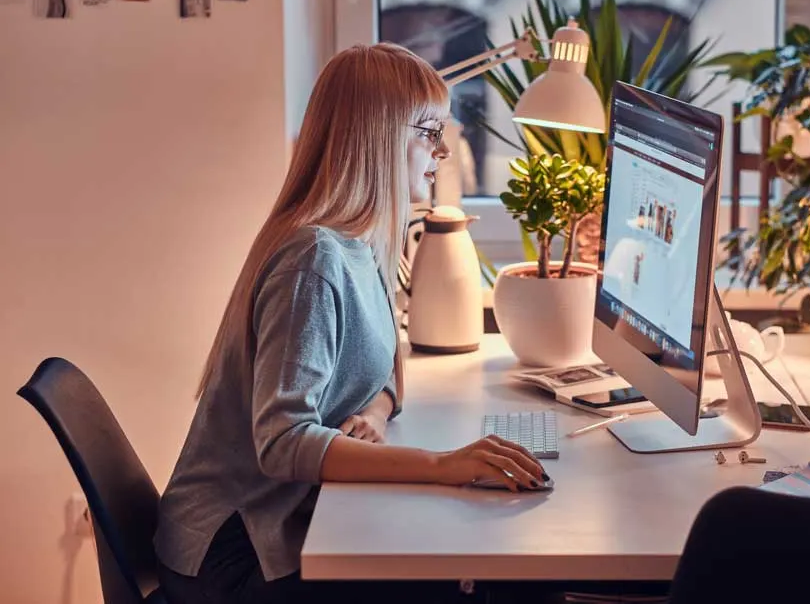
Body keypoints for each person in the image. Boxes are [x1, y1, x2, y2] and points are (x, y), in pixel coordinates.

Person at [154, 43, 546, 604]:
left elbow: (388, 368)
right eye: (428, 132)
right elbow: (284, 442)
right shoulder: (312, 260)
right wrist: (440, 465)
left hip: (279, 526)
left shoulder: (366, 242)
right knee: (485, 582)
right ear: (379, 138)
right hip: (234, 556)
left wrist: (373, 413)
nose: (442, 152)